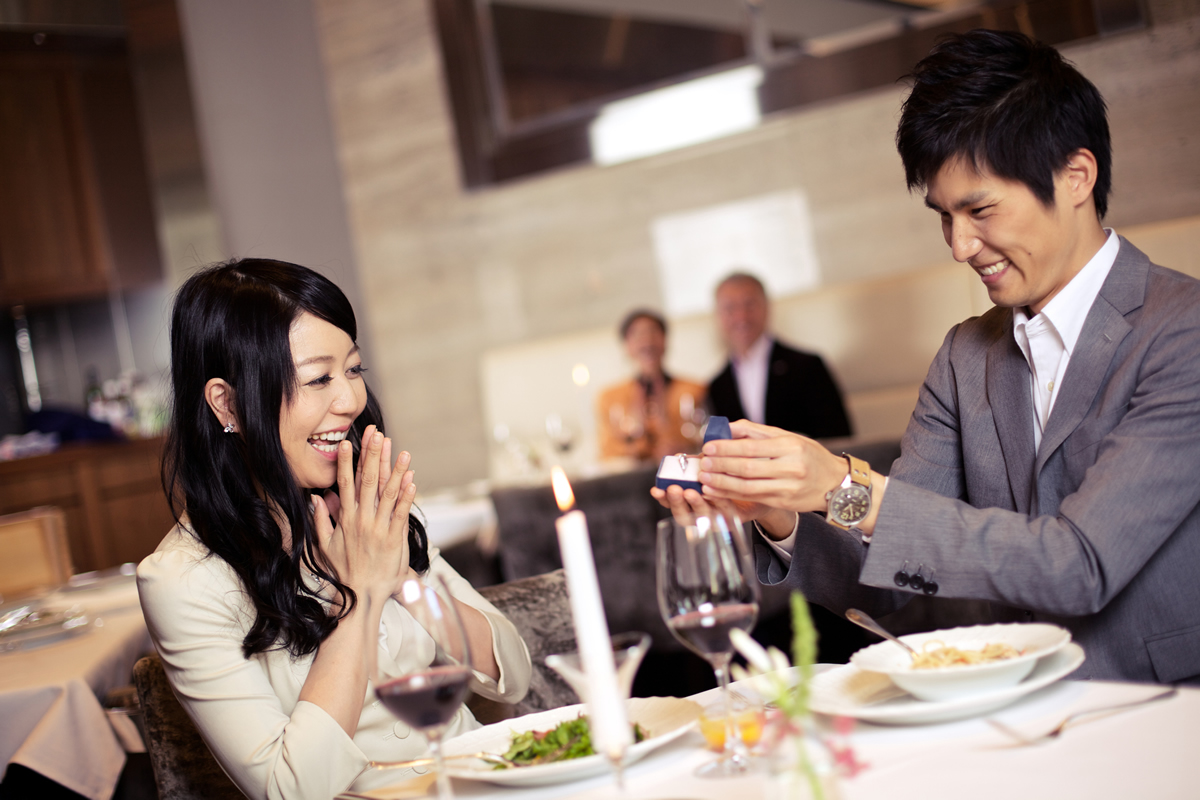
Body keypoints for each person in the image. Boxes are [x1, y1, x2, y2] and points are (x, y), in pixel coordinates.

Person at [659, 30, 1200, 685]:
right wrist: (780, 509)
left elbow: (1079, 566)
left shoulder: (1181, 332)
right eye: (944, 215)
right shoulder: (964, 357)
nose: (960, 245)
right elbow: (892, 584)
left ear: (1075, 176)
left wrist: (841, 485)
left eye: (980, 210)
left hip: (1161, 716)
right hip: (1002, 722)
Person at [137, 259, 532, 800]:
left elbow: (511, 670)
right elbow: (290, 790)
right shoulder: (183, 581)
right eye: (318, 378)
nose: (351, 402)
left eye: (353, 370)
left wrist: (402, 583)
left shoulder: (367, 501)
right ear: (227, 404)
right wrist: (363, 598)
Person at [707, 272, 851, 440]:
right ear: (718, 316)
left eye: (749, 304)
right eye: (730, 308)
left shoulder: (807, 367)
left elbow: (840, 438)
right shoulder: (717, 386)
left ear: (766, 307)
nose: (741, 316)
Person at [596, 309, 706, 462]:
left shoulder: (694, 390)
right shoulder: (610, 397)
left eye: (653, 332)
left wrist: (681, 446)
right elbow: (607, 453)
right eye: (638, 335)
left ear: (665, 340)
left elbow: (704, 436)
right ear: (627, 346)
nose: (647, 341)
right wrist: (641, 447)